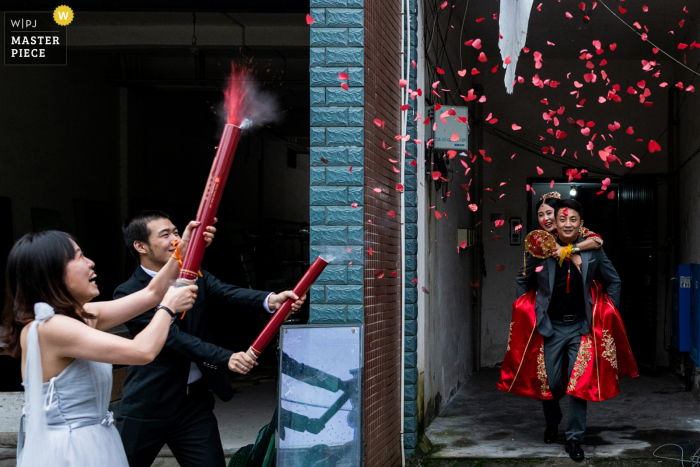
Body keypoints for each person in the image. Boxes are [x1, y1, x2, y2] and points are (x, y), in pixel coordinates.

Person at [0, 221, 208, 467]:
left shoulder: (79, 315)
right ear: (51, 273)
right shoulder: (50, 327)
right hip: (71, 449)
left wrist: (181, 251)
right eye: (79, 257)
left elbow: (151, 293)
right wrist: (168, 307)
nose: (91, 262)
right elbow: (142, 351)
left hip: (94, 438)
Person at [114, 210, 306, 467]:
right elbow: (172, 338)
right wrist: (227, 358)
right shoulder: (127, 293)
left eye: (176, 232)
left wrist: (271, 300)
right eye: (165, 234)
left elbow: (225, 291)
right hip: (149, 405)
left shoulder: (194, 274)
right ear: (140, 246)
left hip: (193, 404)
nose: (176, 240)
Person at [499, 199, 637, 462]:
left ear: (581, 224)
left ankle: (574, 439)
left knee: (578, 385)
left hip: (581, 328)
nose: (567, 223)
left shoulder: (592, 251)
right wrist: (526, 311)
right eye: (563, 219)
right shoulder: (540, 249)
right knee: (550, 382)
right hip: (549, 326)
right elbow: (522, 279)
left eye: (573, 219)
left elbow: (614, 280)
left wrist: (609, 313)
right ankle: (553, 422)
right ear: (556, 223)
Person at [533, 192, 603, 273]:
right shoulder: (539, 235)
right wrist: (572, 256)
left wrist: (569, 249)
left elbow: (597, 241)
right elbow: (553, 246)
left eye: (549, 213)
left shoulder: (574, 229)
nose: (545, 219)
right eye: (540, 215)